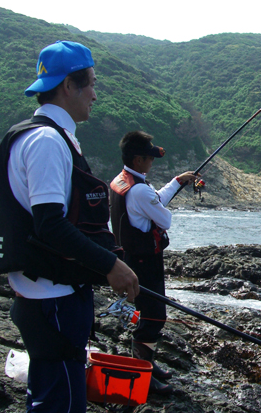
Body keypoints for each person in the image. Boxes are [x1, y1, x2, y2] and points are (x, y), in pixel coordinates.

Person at [0, 40, 139, 412]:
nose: (95, 95)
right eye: (92, 84)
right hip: (52, 300)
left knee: (50, 396)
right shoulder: (47, 141)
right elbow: (50, 225)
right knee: (62, 403)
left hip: (45, 295)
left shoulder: (41, 135)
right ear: (69, 85)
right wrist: (110, 265)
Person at [110, 131, 198, 394]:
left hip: (130, 257)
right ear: (138, 160)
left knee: (147, 311)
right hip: (144, 261)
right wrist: (163, 201)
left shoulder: (122, 181)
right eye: (149, 157)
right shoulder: (138, 191)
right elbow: (165, 218)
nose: (152, 161)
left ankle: (147, 364)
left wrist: (177, 182)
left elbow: (153, 200)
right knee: (154, 316)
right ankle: (143, 375)